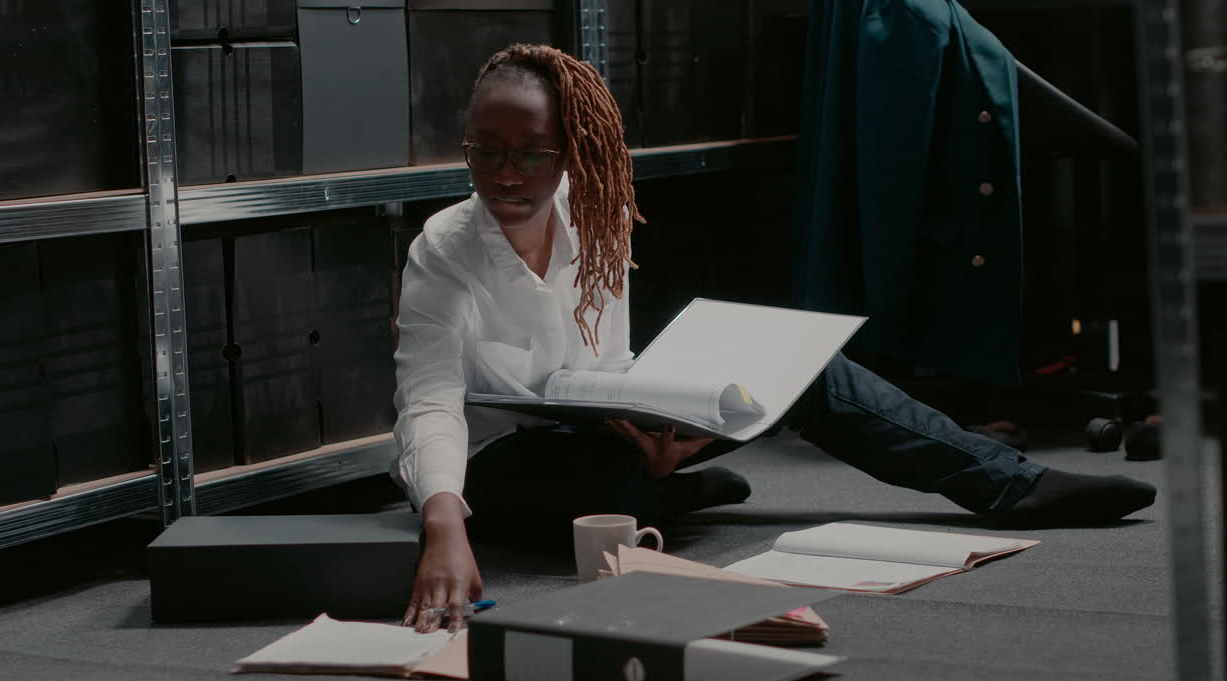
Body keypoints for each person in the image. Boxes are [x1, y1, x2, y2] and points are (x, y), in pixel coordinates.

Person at [393, 43, 1156, 632]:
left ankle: (1007, 484)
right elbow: (429, 400)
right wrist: (443, 525)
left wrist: (667, 427)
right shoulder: (442, 247)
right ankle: (655, 491)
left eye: (534, 152)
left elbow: (606, 364)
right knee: (607, 497)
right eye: (485, 149)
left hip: (596, 429)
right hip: (495, 462)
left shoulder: (599, 212)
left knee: (807, 374)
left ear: (572, 152)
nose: (505, 172)